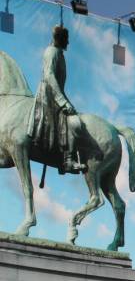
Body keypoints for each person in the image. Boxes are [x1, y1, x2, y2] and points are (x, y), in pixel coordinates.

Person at [28, 25, 87, 174]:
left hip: (56, 94)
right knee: (71, 121)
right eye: (66, 40)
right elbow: (49, 76)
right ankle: (68, 160)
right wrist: (63, 101)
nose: (68, 43)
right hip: (50, 96)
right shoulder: (52, 52)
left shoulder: (59, 53)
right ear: (60, 39)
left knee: (73, 118)